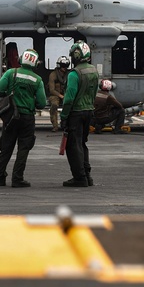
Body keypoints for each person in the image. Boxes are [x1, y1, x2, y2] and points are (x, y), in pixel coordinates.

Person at [0, 49, 47, 188]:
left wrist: (10, 93)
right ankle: (17, 178)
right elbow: (42, 103)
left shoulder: (10, 73)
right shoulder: (37, 80)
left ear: (20, 60)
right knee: (24, 148)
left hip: (11, 116)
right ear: (35, 64)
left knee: (6, 147)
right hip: (27, 118)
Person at [59, 41, 99, 187]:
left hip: (76, 113)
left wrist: (64, 117)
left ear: (76, 55)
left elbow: (69, 98)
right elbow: (94, 93)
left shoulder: (74, 74)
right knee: (82, 143)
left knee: (73, 146)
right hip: (89, 111)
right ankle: (87, 175)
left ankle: (79, 177)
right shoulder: (94, 71)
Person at [46, 56, 70, 132]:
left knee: (70, 105)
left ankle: (66, 123)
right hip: (54, 95)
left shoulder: (69, 75)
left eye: (66, 66)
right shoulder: (53, 75)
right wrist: (61, 96)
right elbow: (52, 90)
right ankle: (55, 126)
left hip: (65, 94)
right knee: (54, 105)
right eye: (63, 66)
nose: (65, 68)